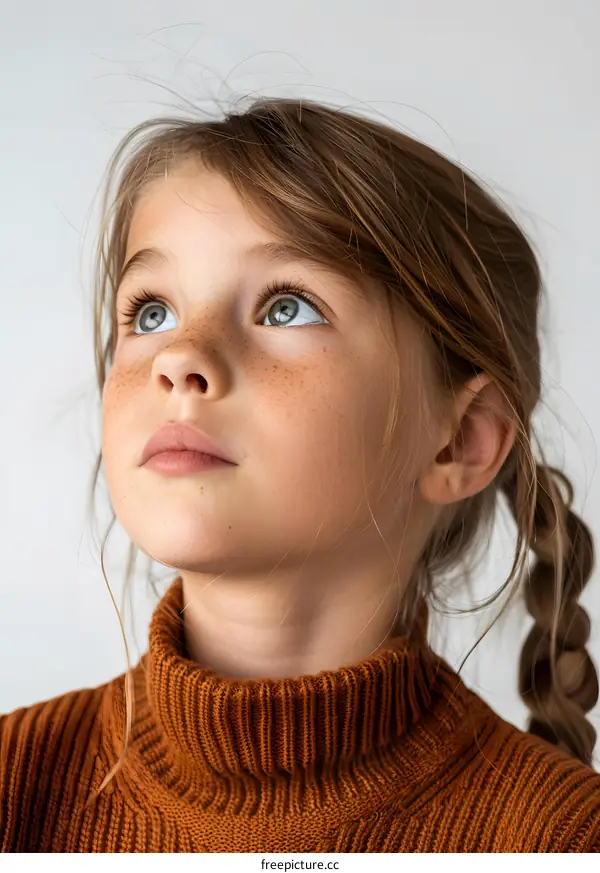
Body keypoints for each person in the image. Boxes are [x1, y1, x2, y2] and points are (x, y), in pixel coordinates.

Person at [1, 96, 599, 854]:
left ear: (462, 443)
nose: (178, 356)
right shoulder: (15, 788)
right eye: (151, 312)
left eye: (286, 307)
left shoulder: (567, 839)